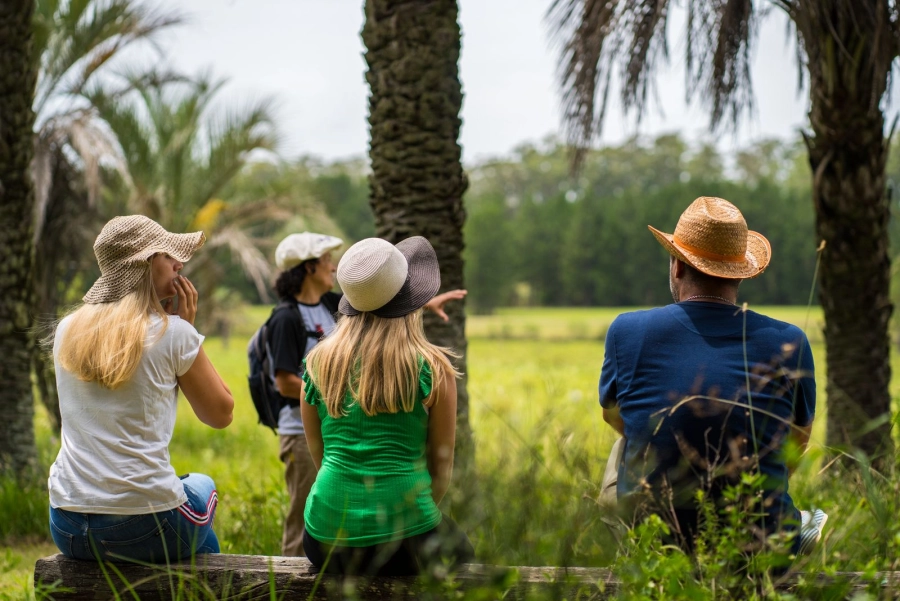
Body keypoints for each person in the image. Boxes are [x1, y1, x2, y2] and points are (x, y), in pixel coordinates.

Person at [599, 196, 823, 557]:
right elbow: (795, 446)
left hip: (656, 550)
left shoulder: (627, 330)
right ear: (741, 272)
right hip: (761, 549)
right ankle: (794, 527)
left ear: (677, 267)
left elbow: (615, 418)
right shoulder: (790, 341)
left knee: (623, 447)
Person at [47, 215, 234, 563]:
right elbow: (221, 414)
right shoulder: (173, 333)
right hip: (144, 524)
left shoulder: (67, 329)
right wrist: (188, 333)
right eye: (168, 255)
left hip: (67, 522)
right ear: (146, 264)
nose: (180, 264)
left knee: (200, 543)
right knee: (204, 488)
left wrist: (182, 333)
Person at [268, 232, 466, 557]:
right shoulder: (433, 367)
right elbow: (441, 469)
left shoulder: (316, 365)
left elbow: (321, 458)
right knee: (465, 558)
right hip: (406, 536)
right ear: (410, 300)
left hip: (325, 538)